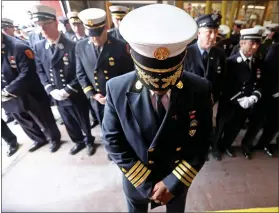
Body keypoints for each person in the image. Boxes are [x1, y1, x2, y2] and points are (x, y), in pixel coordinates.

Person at [102, 4, 212, 212]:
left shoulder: (199, 89)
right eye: (151, 78)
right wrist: (145, 183)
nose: (160, 87)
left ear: (184, 56)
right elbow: (112, 139)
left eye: (168, 77)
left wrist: (172, 183)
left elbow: (203, 141)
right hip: (137, 180)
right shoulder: (116, 88)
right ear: (130, 51)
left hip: (178, 178)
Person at [30, 5, 95, 156]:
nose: (42, 30)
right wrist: (50, 89)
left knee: (82, 119)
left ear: (54, 23)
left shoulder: (73, 46)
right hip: (56, 94)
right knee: (67, 120)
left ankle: (89, 141)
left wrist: (67, 90)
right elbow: (40, 70)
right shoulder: (39, 47)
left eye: (45, 25)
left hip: (73, 93)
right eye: (39, 26)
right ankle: (78, 141)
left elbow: (80, 72)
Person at [1, 33, 61, 153]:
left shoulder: (18, 47)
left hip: (29, 90)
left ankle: (54, 138)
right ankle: (38, 139)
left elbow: (28, 73)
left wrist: (8, 91)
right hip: (8, 95)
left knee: (43, 116)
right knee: (22, 118)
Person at [76, 8, 134, 126]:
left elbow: (129, 75)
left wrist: (116, 95)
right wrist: (93, 95)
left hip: (118, 99)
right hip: (97, 100)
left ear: (106, 28)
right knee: (105, 129)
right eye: (91, 35)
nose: (95, 38)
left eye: (97, 34)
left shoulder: (121, 46)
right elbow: (81, 74)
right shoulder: (80, 47)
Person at [213, 27, 265, 160]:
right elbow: (225, 85)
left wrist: (254, 97)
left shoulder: (257, 63)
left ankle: (226, 145)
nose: (255, 47)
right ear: (242, 43)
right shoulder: (230, 62)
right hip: (230, 102)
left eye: (257, 44)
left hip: (246, 104)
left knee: (235, 128)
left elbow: (259, 83)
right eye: (252, 43)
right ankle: (216, 148)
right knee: (221, 127)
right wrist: (240, 98)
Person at [241, 43, 279, 157]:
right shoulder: (276, 49)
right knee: (257, 122)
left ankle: (264, 143)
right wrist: (275, 91)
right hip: (268, 93)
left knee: (275, 123)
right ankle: (246, 144)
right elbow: (268, 72)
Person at [185, 13, 226, 104]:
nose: (213, 37)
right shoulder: (186, 54)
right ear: (198, 33)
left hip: (209, 104)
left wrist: (214, 97)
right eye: (209, 32)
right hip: (188, 103)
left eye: (215, 32)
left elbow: (221, 80)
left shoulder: (220, 54)